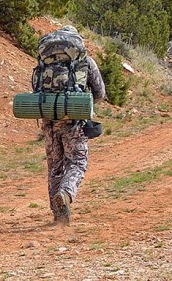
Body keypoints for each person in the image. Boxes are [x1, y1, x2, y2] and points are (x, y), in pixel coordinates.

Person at [40, 29, 106, 226]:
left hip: (48, 120)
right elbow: (100, 93)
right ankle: (66, 193)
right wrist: (81, 103)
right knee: (77, 161)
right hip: (74, 121)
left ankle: (57, 213)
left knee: (54, 166)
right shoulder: (85, 61)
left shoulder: (45, 62)